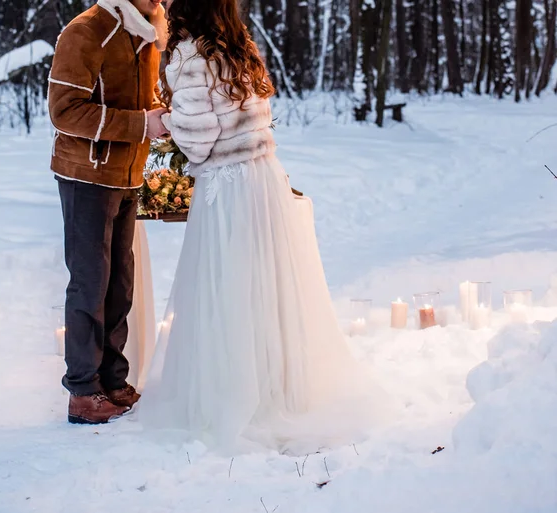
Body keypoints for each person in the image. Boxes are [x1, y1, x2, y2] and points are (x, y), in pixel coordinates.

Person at [139, 0, 395, 453]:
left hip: (227, 188)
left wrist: (167, 122)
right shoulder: (240, 48)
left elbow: (198, 142)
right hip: (263, 179)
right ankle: (280, 388)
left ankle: (236, 396)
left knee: (228, 290)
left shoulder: (190, 57)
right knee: (266, 288)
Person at [48, 0, 169, 425]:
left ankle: (112, 380)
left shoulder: (149, 32)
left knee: (120, 283)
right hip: (85, 176)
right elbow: (64, 111)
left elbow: (145, 97)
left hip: (127, 175)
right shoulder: (86, 30)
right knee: (89, 283)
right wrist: (140, 124)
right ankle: (82, 391)